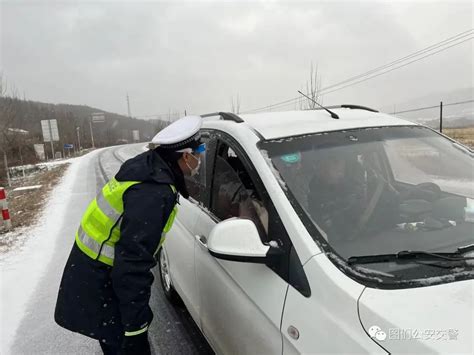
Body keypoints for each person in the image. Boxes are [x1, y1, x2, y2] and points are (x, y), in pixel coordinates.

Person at [54, 115, 205, 355]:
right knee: (124, 346)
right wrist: (135, 327)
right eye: (200, 151)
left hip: (94, 269)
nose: (201, 158)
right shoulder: (153, 193)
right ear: (186, 156)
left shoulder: (148, 166)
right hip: (100, 279)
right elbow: (132, 263)